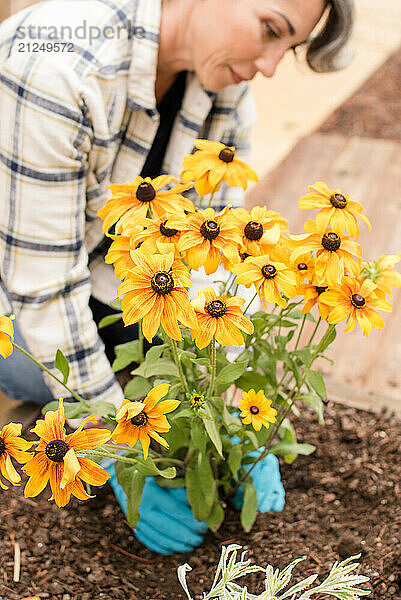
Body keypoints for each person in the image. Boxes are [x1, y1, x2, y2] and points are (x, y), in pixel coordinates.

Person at [0, 0, 354, 553]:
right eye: (269, 31)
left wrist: (236, 412)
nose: (269, 67)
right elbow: (42, 285)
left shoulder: (221, 78)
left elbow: (220, 251)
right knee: (37, 374)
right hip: (16, 280)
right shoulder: (56, 66)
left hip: (110, 276)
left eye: (288, 49)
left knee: (171, 358)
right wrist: (118, 451)